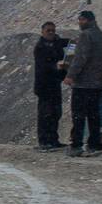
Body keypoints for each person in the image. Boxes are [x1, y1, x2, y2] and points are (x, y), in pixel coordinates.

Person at [63, 9, 102, 156]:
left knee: (78, 115)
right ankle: (94, 143)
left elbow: (80, 58)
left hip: (83, 83)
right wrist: (100, 68)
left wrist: (71, 75)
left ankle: (76, 145)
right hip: (98, 83)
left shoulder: (86, 35)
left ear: (88, 20)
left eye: (81, 20)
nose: (79, 23)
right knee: (94, 114)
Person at [32, 21, 68, 150]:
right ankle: (44, 141)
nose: (51, 33)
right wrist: (56, 66)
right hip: (44, 85)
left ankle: (53, 140)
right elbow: (43, 66)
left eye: (53, 30)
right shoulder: (40, 47)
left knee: (56, 113)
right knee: (45, 114)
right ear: (42, 32)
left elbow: (68, 43)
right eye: (48, 31)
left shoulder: (56, 42)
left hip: (55, 84)